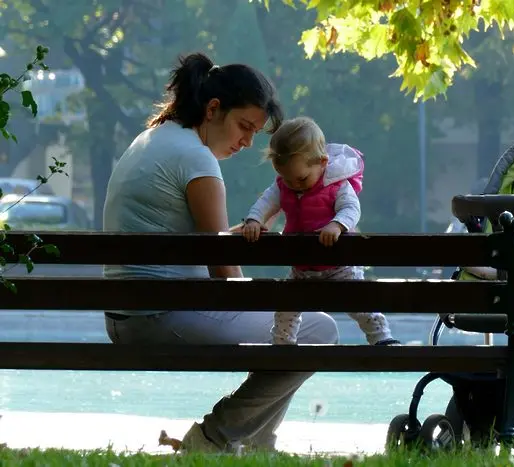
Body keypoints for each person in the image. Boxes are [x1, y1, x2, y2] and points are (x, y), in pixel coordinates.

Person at [101, 52, 340, 454]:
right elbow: (224, 269)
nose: (247, 142)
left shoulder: (152, 139)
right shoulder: (197, 159)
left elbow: (198, 241)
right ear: (213, 109)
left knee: (287, 326)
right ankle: (215, 437)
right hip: (159, 318)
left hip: (127, 316)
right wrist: (264, 299)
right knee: (318, 330)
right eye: (243, 127)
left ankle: (256, 443)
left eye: (254, 133)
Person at [242, 116, 400, 346]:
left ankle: (382, 338)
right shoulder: (284, 186)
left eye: (301, 178)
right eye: (287, 179)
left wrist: (336, 225)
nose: (294, 185)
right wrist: (255, 219)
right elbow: (265, 202)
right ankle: (282, 343)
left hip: (339, 264)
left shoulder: (337, 186)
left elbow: (351, 209)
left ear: (323, 162)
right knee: (287, 307)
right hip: (303, 266)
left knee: (360, 303)